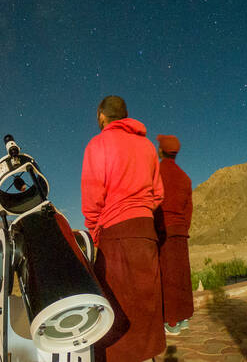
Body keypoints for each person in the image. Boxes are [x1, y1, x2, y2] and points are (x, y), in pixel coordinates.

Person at [81, 95, 165, 362]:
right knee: (145, 303)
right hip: (145, 231)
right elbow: (158, 194)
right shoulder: (148, 146)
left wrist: (94, 231)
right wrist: (141, 213)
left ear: (101, 116)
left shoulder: (98, 144)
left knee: (118, 307)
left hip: (115, 233)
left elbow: (92, 197)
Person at [154, 134, 194, 336]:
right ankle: (184, 316)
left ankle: (171, 322)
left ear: (161, 150)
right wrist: (183, 227)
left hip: (163, 230)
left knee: (167, 276)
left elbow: (153, 203)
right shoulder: (185, 178)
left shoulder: (156, 173)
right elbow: (189, 209)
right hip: (180, 231)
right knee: (181, 274)